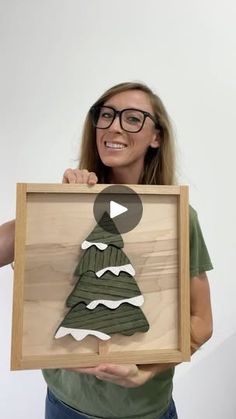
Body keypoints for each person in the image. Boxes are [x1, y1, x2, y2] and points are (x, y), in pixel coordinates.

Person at [0, 82, 213, 419]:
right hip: (65, 407)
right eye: (107, 115)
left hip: (146, 411)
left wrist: (144, 371)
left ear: (156, 137)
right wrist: (50, 208)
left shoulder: (177, 216)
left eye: (133, 119)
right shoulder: (72, 203)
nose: (114, 126)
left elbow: (201, 321)